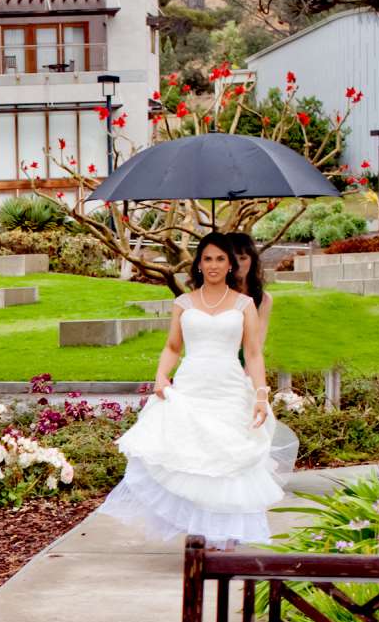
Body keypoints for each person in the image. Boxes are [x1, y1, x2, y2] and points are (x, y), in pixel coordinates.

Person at [96, 232, 296, 545]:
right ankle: (199, 533)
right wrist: (162, 376)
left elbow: (254, 353)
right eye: (207, 259)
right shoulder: (183, 303)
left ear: (230, 264)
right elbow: (173, 347)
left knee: (227, 460)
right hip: (191, 385)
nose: (214, 265)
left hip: (228, 386)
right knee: (191, 456)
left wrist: (260, 394)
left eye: (220, 259)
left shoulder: (245, 304)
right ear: (198, 264)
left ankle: (227, 538)